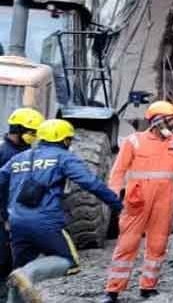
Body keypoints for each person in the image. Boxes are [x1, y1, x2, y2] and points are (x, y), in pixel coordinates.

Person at [0, 119, 122, 303]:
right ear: (64, 140)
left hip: (17, 222)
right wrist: (117, 204)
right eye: (69, 140)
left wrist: (5, 215)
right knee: (69, 262)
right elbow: (90, 182)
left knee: (17, 275)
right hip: (46, 222)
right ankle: (28, 273)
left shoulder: (19, 158)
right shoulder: (63, 157)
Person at [103, 101, 173, 302]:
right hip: (137, 200)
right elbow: (119, 170)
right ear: (157, 121)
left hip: (164, 200)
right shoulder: (134, 141)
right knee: (127, 244)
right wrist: (114, 194)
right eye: (171, 119)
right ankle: (113, 290)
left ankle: (148, 287)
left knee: (158, 244)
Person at [0, 108, 44, 298]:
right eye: (32, 133)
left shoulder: (27, 152)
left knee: (18, 262)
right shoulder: (4, 153)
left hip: (20, 215)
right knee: (3, 261)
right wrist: (4, 217)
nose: (34, 137)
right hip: (5, 217)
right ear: (18, 130)